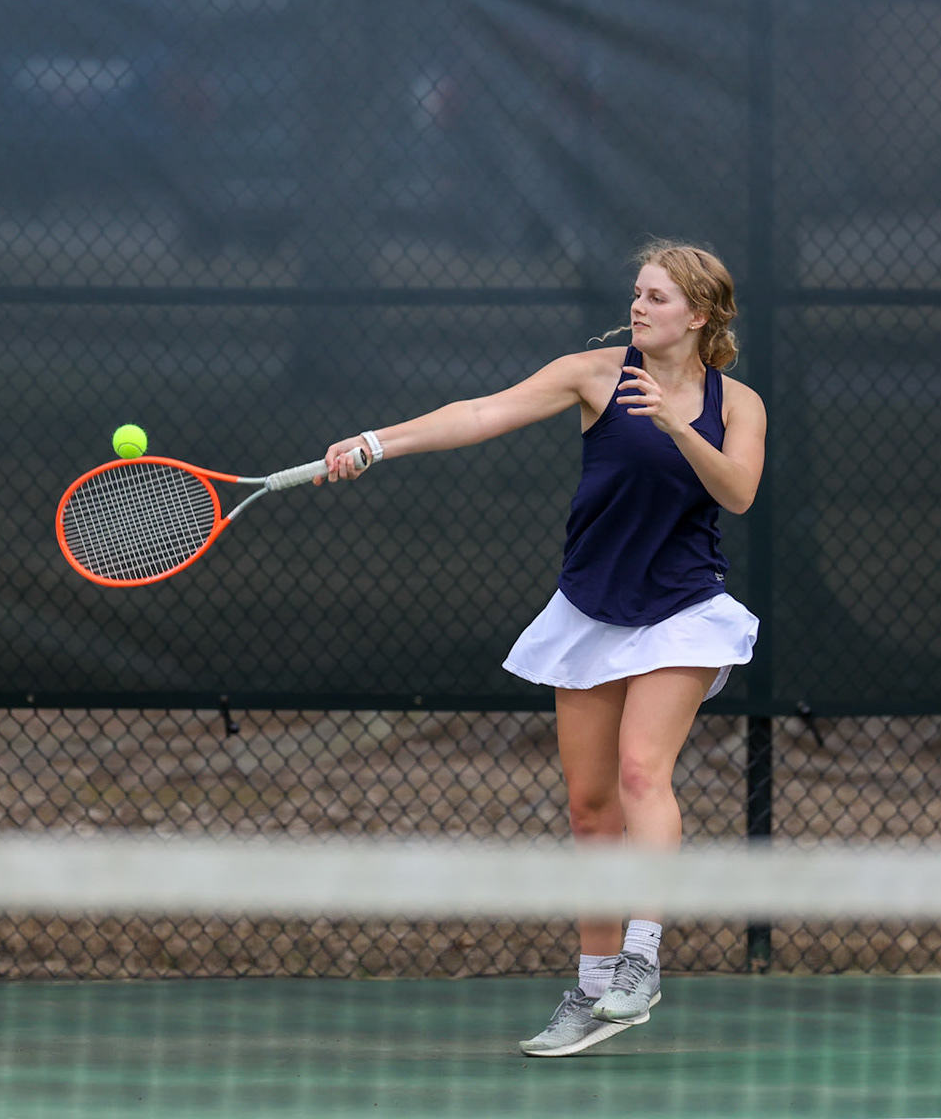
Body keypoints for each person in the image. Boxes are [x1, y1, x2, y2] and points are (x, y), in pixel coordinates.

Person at [318, 240, 766, 1057]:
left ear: (698, 315)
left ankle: (642, 961)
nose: (638, 307)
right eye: (637, 293)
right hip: (591, 607)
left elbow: (737, 490)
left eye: (657, 298)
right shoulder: (593, 374)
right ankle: (593, 992)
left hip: (683, 608)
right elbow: (483, 412)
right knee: (590, 808)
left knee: (641, 772)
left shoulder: (738, 404)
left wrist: (675, 426)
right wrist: (376, 443)